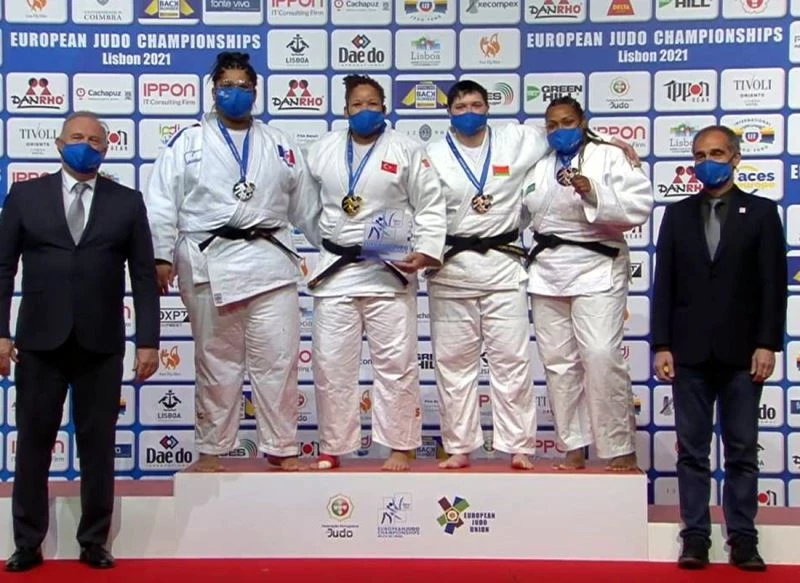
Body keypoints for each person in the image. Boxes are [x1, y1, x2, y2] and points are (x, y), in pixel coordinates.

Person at [145, 52, 321, 473]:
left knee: (278, 360)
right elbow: (162, 202)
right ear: (214, 90)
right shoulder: (187, 142)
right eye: (227, 86)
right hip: (209, 261)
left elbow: (307, 208)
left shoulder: (280, 143)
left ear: (255, 92)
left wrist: (339, 251)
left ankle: (282, 446)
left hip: (270, 262)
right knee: (216, 363)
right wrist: (160, 255)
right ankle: (211, 449)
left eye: (244, 86)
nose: (236, 92)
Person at [0, 112, 160, 572]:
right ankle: (27, 543)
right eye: (76, 137)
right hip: (39, 343)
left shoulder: (127, 202)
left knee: (97, 445)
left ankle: (94, 541)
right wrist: (1, 333)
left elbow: (144, 276)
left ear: (106, 149)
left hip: (101, 343)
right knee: (33, 445)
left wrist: (148, 341)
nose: (85, 145)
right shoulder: (25, 197)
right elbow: (3, 268)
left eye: (94, 140)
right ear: (58, 143)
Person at [652, 125, 786, 571]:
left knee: (742, 451)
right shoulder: (677, 215)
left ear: (735, 158)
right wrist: (662, 344)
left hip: (743, 354)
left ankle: (743, 539)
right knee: (692, 452)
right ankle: (695, 538)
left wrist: (767, 344)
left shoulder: (762, 213)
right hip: (688, 353)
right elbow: (664, 284)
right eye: (699, 155)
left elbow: (773, 287)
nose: (706, 162)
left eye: (715, 153)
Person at [305, 74, 446, 472]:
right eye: (357, 104)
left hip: (388, 270)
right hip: (336, 272)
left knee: (396, 364)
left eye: (372, 104)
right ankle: (333, 445)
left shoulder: (407, 149)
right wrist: (332, 242)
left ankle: (399, 445)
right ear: (345, 110)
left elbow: (430, 204)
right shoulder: (322, 150)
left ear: (384, 108)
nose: (364, 110)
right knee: (332, 364)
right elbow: (308, 208)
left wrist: (425, 250)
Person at [522, 96, 653, 472]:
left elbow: (640, 205)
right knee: (558, 362)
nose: (559, 130)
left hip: (598, 264)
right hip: (548, 269)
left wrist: (593, 191)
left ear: (583, 123)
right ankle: (573, 446)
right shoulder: (538, 162)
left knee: (600, 354)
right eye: (552, 124)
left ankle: (619, 447)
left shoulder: (609, 156)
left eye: (568, 122)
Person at [424, 80, 550, 470]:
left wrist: (612, 143)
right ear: (449, 112)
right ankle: (459, 445)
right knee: (453, 364)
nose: (469, 112)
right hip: (451, 269)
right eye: (460, 107)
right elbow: (418, 209)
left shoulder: (515, 140)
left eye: (476, 105)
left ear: (488, 107)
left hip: (503, 268)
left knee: (511, 360)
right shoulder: (431, 155)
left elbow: (565, 131)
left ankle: (519, 446)